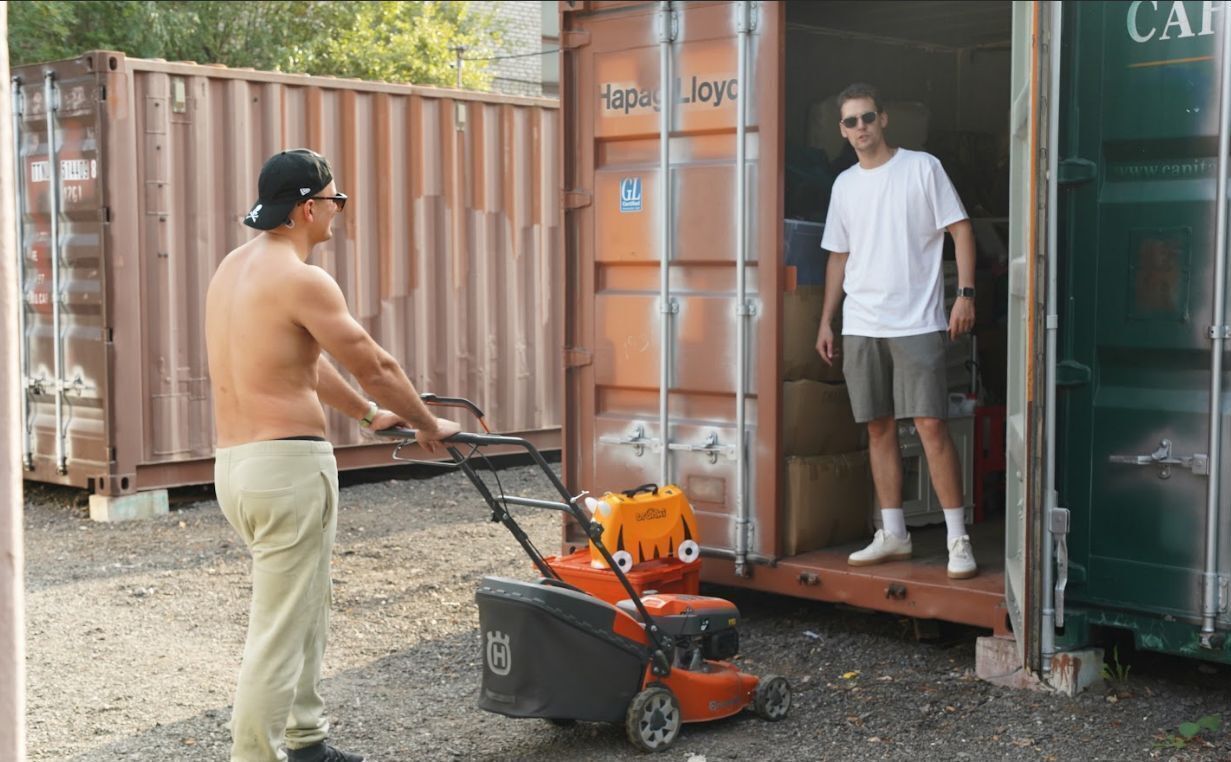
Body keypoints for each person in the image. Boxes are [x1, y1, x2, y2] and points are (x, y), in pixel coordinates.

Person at [205, 148, 461, 762]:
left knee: (304, 608)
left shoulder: (232, 271)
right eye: (335, 201)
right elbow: (373, 362)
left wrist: (371, 416)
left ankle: (307, 742)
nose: (339, 213)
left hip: (238, 467)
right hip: (286, 471)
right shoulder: (303, 278)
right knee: (277, 630)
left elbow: (305, 362)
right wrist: (429, 425)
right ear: (304, 208)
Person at [814, 84, 979, 580]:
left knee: (930, 425)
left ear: (883, 119)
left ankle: (958, 539)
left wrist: (965, 295)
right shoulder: (843, 185)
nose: (860, 128)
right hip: (862, 323)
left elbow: (961, 229)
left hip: (917, 320)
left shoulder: (922, 167)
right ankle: (894, 534)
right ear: (842, 131)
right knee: (878, 427)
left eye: (867, 117)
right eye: (850, 122)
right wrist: (827, 318)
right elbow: (838, 255)